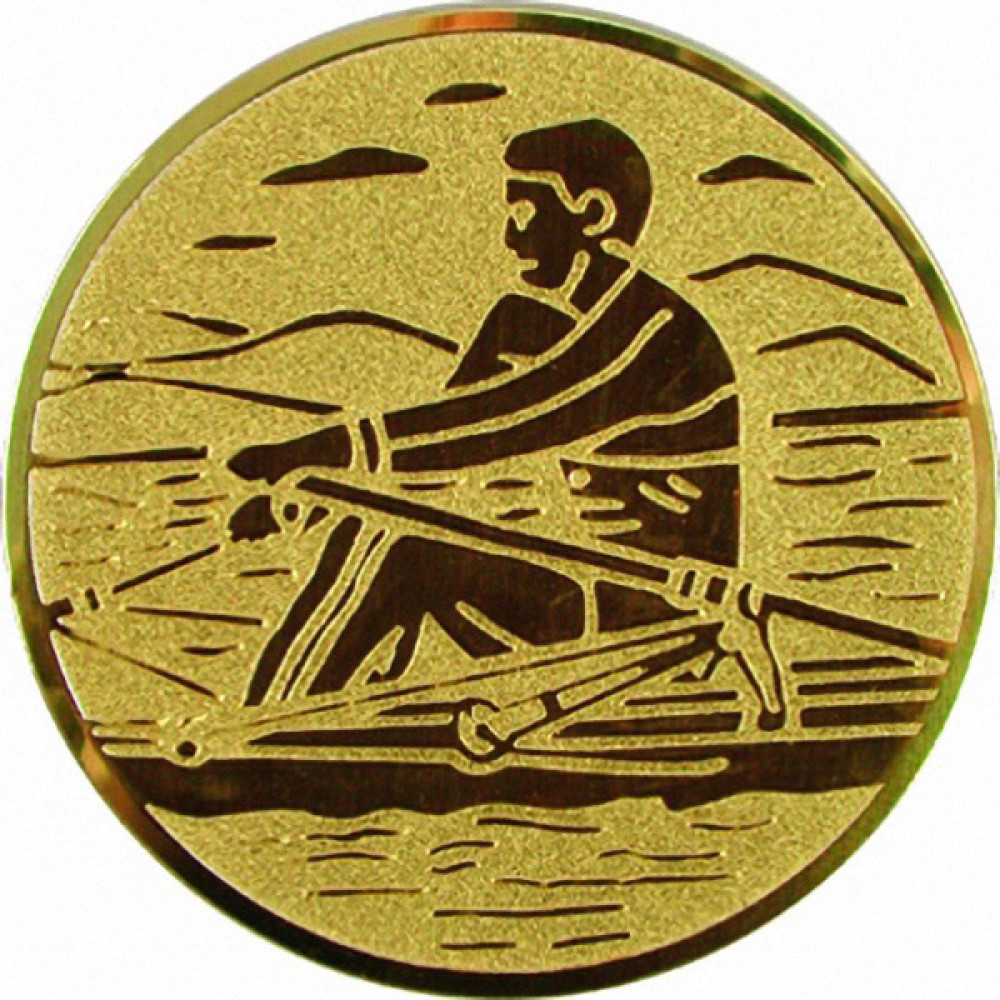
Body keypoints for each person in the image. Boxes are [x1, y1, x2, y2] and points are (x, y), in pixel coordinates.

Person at [228, 119, 786, 732]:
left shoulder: (656, 334)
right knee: (387, 523)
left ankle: (266, 731)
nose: (509, 236)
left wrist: (321, 449)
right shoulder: (527, 325)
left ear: (592, 215)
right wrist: (308, 492)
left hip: (658, 619)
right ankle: (303, 713)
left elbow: (503, 423)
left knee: (412, 554)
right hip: (583, 587)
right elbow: (435, 463)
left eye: (524, 212)